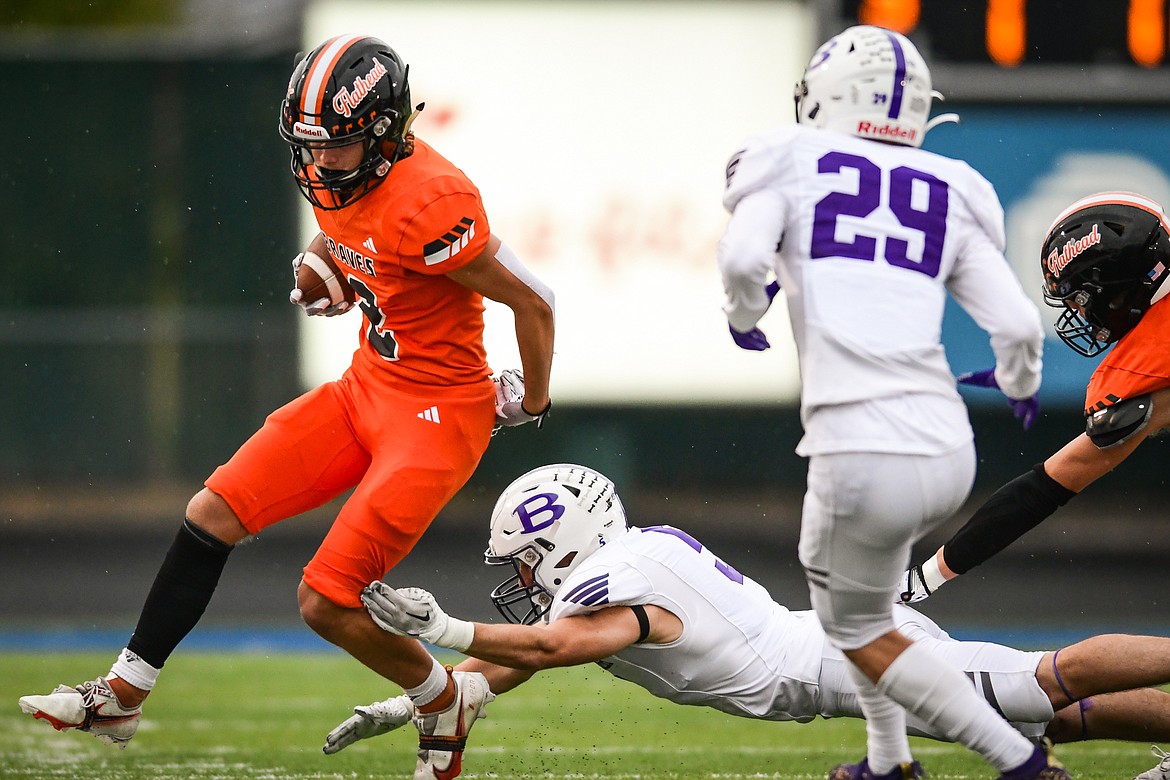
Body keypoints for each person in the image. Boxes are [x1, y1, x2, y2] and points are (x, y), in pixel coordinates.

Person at [18, 33, 554, 780]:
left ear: (385, 131)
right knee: (212, 511)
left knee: (324, 600)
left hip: (436, 416)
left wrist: (528, 401)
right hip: (367, 388)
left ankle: (441, 699)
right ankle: (123, 694)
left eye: (334, 146)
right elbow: (347, 237)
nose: (317, 163)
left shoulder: (434, 201)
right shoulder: (345, 177)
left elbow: (536, 301)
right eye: (308, 147)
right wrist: (319, 265)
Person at [327, 463, 1170, 780]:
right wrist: (423, 699)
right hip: (838, 662)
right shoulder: (629, 557)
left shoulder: (611, 590)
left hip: (854, 666)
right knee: (1052, 712)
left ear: (559, 543)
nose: (518, 582)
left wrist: (446, 630)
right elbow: (533, 658)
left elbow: (554, 644)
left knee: (1047, 678)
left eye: (520, 562)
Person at [716, 24, 1053, 780]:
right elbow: (1019, 328)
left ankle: (1020, 762)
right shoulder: (953, 184)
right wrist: (1023, 387)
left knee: (856, 627)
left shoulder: (789, 155)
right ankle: (888, 761)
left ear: (827, 96)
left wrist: (744, 317)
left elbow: (742, 259)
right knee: (870, 610)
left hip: (862, 447)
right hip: (949, 447)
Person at [900, 193, 1170, 607]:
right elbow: (1044, 484)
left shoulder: (1145, 377)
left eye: (1083, 299)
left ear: (1124, 284)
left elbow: (1050, 484)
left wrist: (927, 577)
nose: (1083, 314)